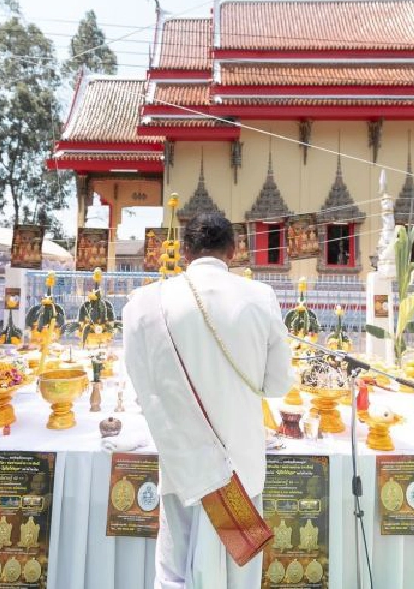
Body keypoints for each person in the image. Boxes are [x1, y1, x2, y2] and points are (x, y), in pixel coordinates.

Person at [123, 213, 294, 589]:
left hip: (184, 461)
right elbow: (278, 384)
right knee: (239, 574)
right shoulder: (260, 297)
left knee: (177, 572)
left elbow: (140, 387)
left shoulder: (146, 304)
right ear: (233, 251)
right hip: (241, 464)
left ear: (184, 252)